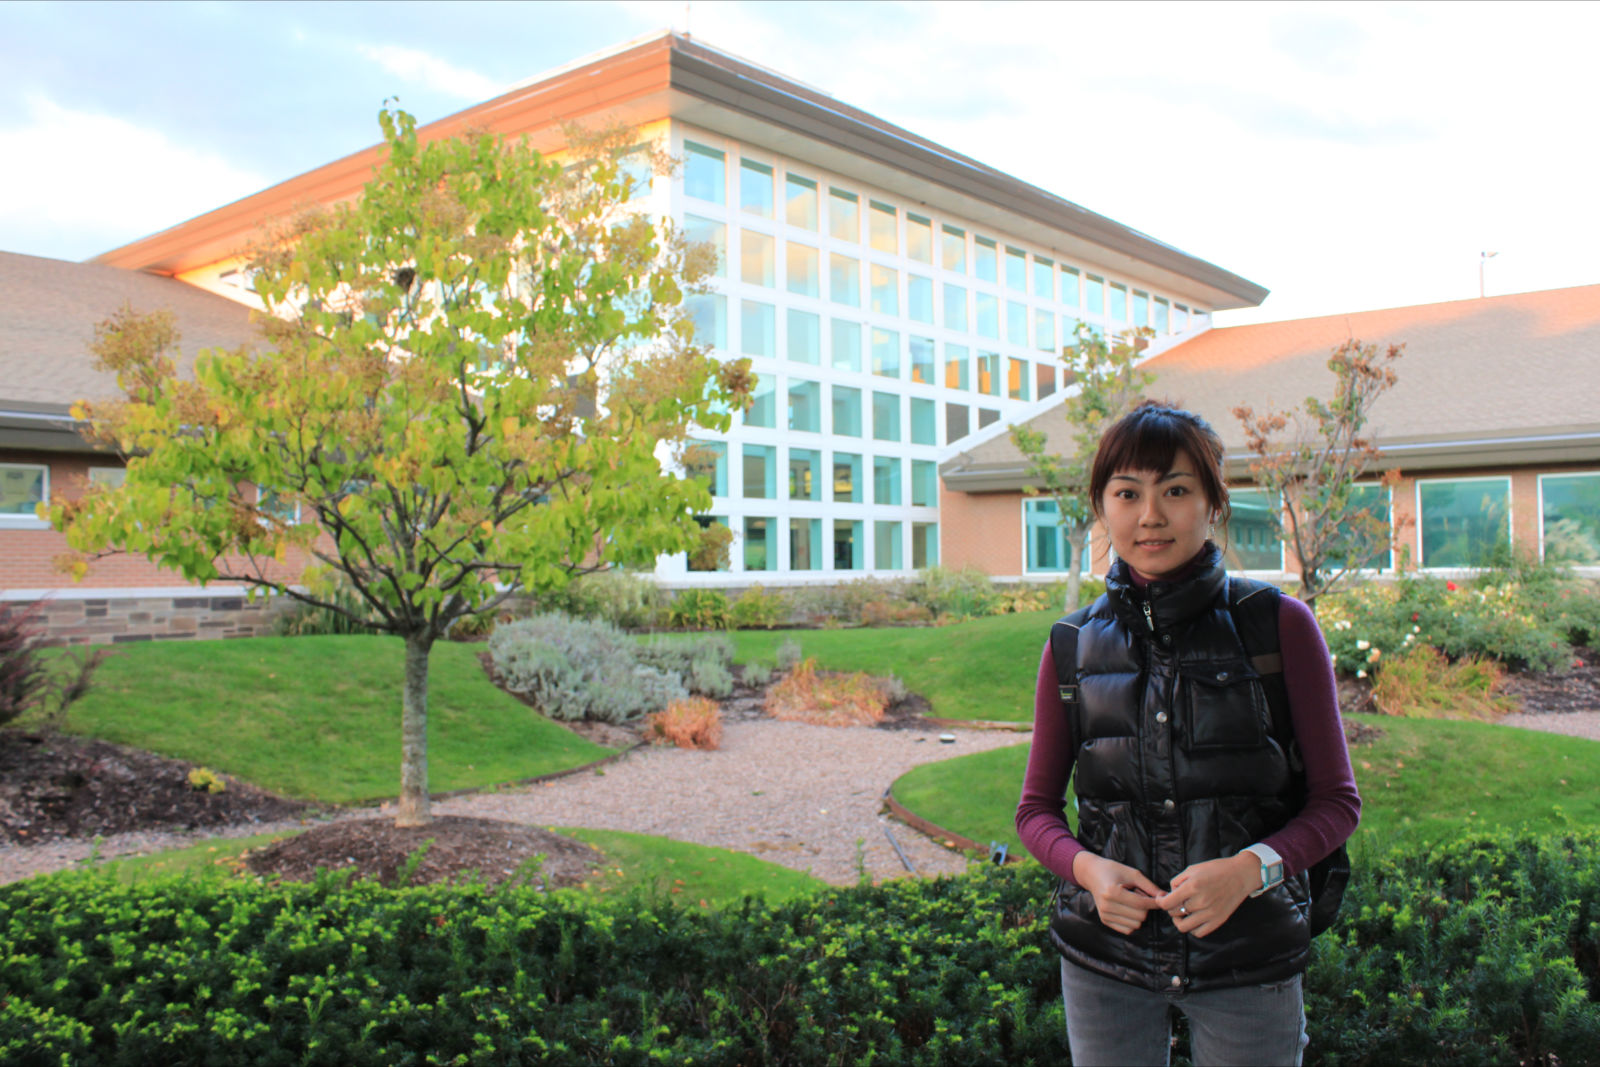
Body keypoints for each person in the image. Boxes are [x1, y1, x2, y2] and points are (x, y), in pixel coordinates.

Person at [1015, 401, 1360, 1066]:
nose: (1150, 515)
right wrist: (1089, 870)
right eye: (1127, 492)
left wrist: (1247, 871)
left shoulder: (1277, 626)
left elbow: (1337, 803)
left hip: (1247, 956)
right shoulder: (1071, 644)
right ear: (1102, 506)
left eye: (1175, 490)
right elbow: (1035, 811)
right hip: (1105, 958)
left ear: (1212, 502)